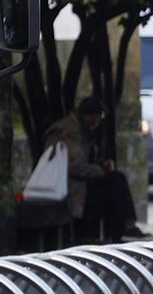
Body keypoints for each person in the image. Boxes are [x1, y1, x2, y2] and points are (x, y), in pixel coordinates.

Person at [43, 96, 139, 243]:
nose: (99, 121)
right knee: (111, 184)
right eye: (99, 116)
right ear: (91, 116)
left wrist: (100, 164)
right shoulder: (71, 131)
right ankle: (120, 228)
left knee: (115, 179)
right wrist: (99, 170)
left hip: (74, 178)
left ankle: (122, 227)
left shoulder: (81, 129)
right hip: (68, 183)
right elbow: (76, 167)